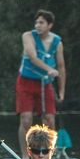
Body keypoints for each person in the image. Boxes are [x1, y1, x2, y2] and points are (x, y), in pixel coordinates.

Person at [17, 10, 66, 147]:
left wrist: (61, 92)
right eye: (36, 22)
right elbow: (33, 58)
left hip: (45, 84)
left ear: (49, 25)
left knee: (49, 120)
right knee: (26, 119)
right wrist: (49, 69)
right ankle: (25, 156)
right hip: (26, 82)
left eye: (41, 23)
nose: (37, 25)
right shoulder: (28, 36)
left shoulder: (57, 42)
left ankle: (48, 154)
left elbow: (61, 67)